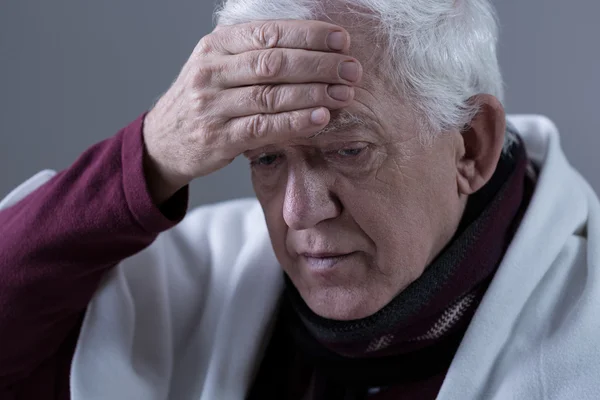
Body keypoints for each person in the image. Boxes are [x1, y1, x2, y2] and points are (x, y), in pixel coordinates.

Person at [1, 0, 599, 399]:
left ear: (470, 146)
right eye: (265, 158)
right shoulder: (200, 275)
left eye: (348, 151)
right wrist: (149, 157)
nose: (299, 212)